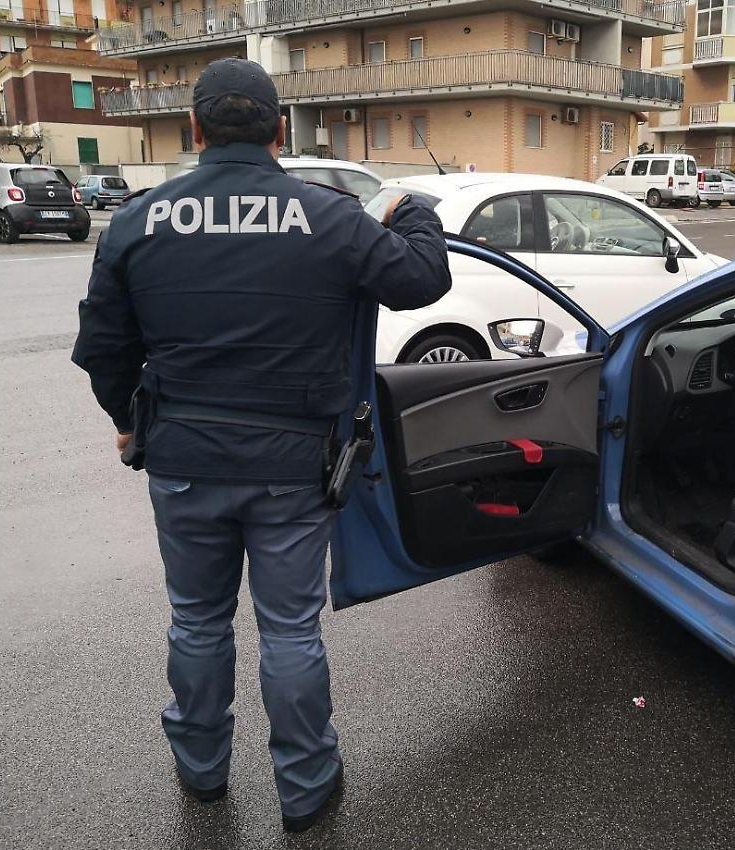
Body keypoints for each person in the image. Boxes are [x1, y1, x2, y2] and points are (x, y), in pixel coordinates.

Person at [71, 58, 451, 832]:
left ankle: (202, 771)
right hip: (292, 469)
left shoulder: (139, 221)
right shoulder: (331, 216)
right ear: (280, 131)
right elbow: (420, 278)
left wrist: (126, 420)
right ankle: (307, 788)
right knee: (289, 630)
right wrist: (413, 211)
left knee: (198, 622)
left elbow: (105, 348)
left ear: (194, 129)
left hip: (182, 460)